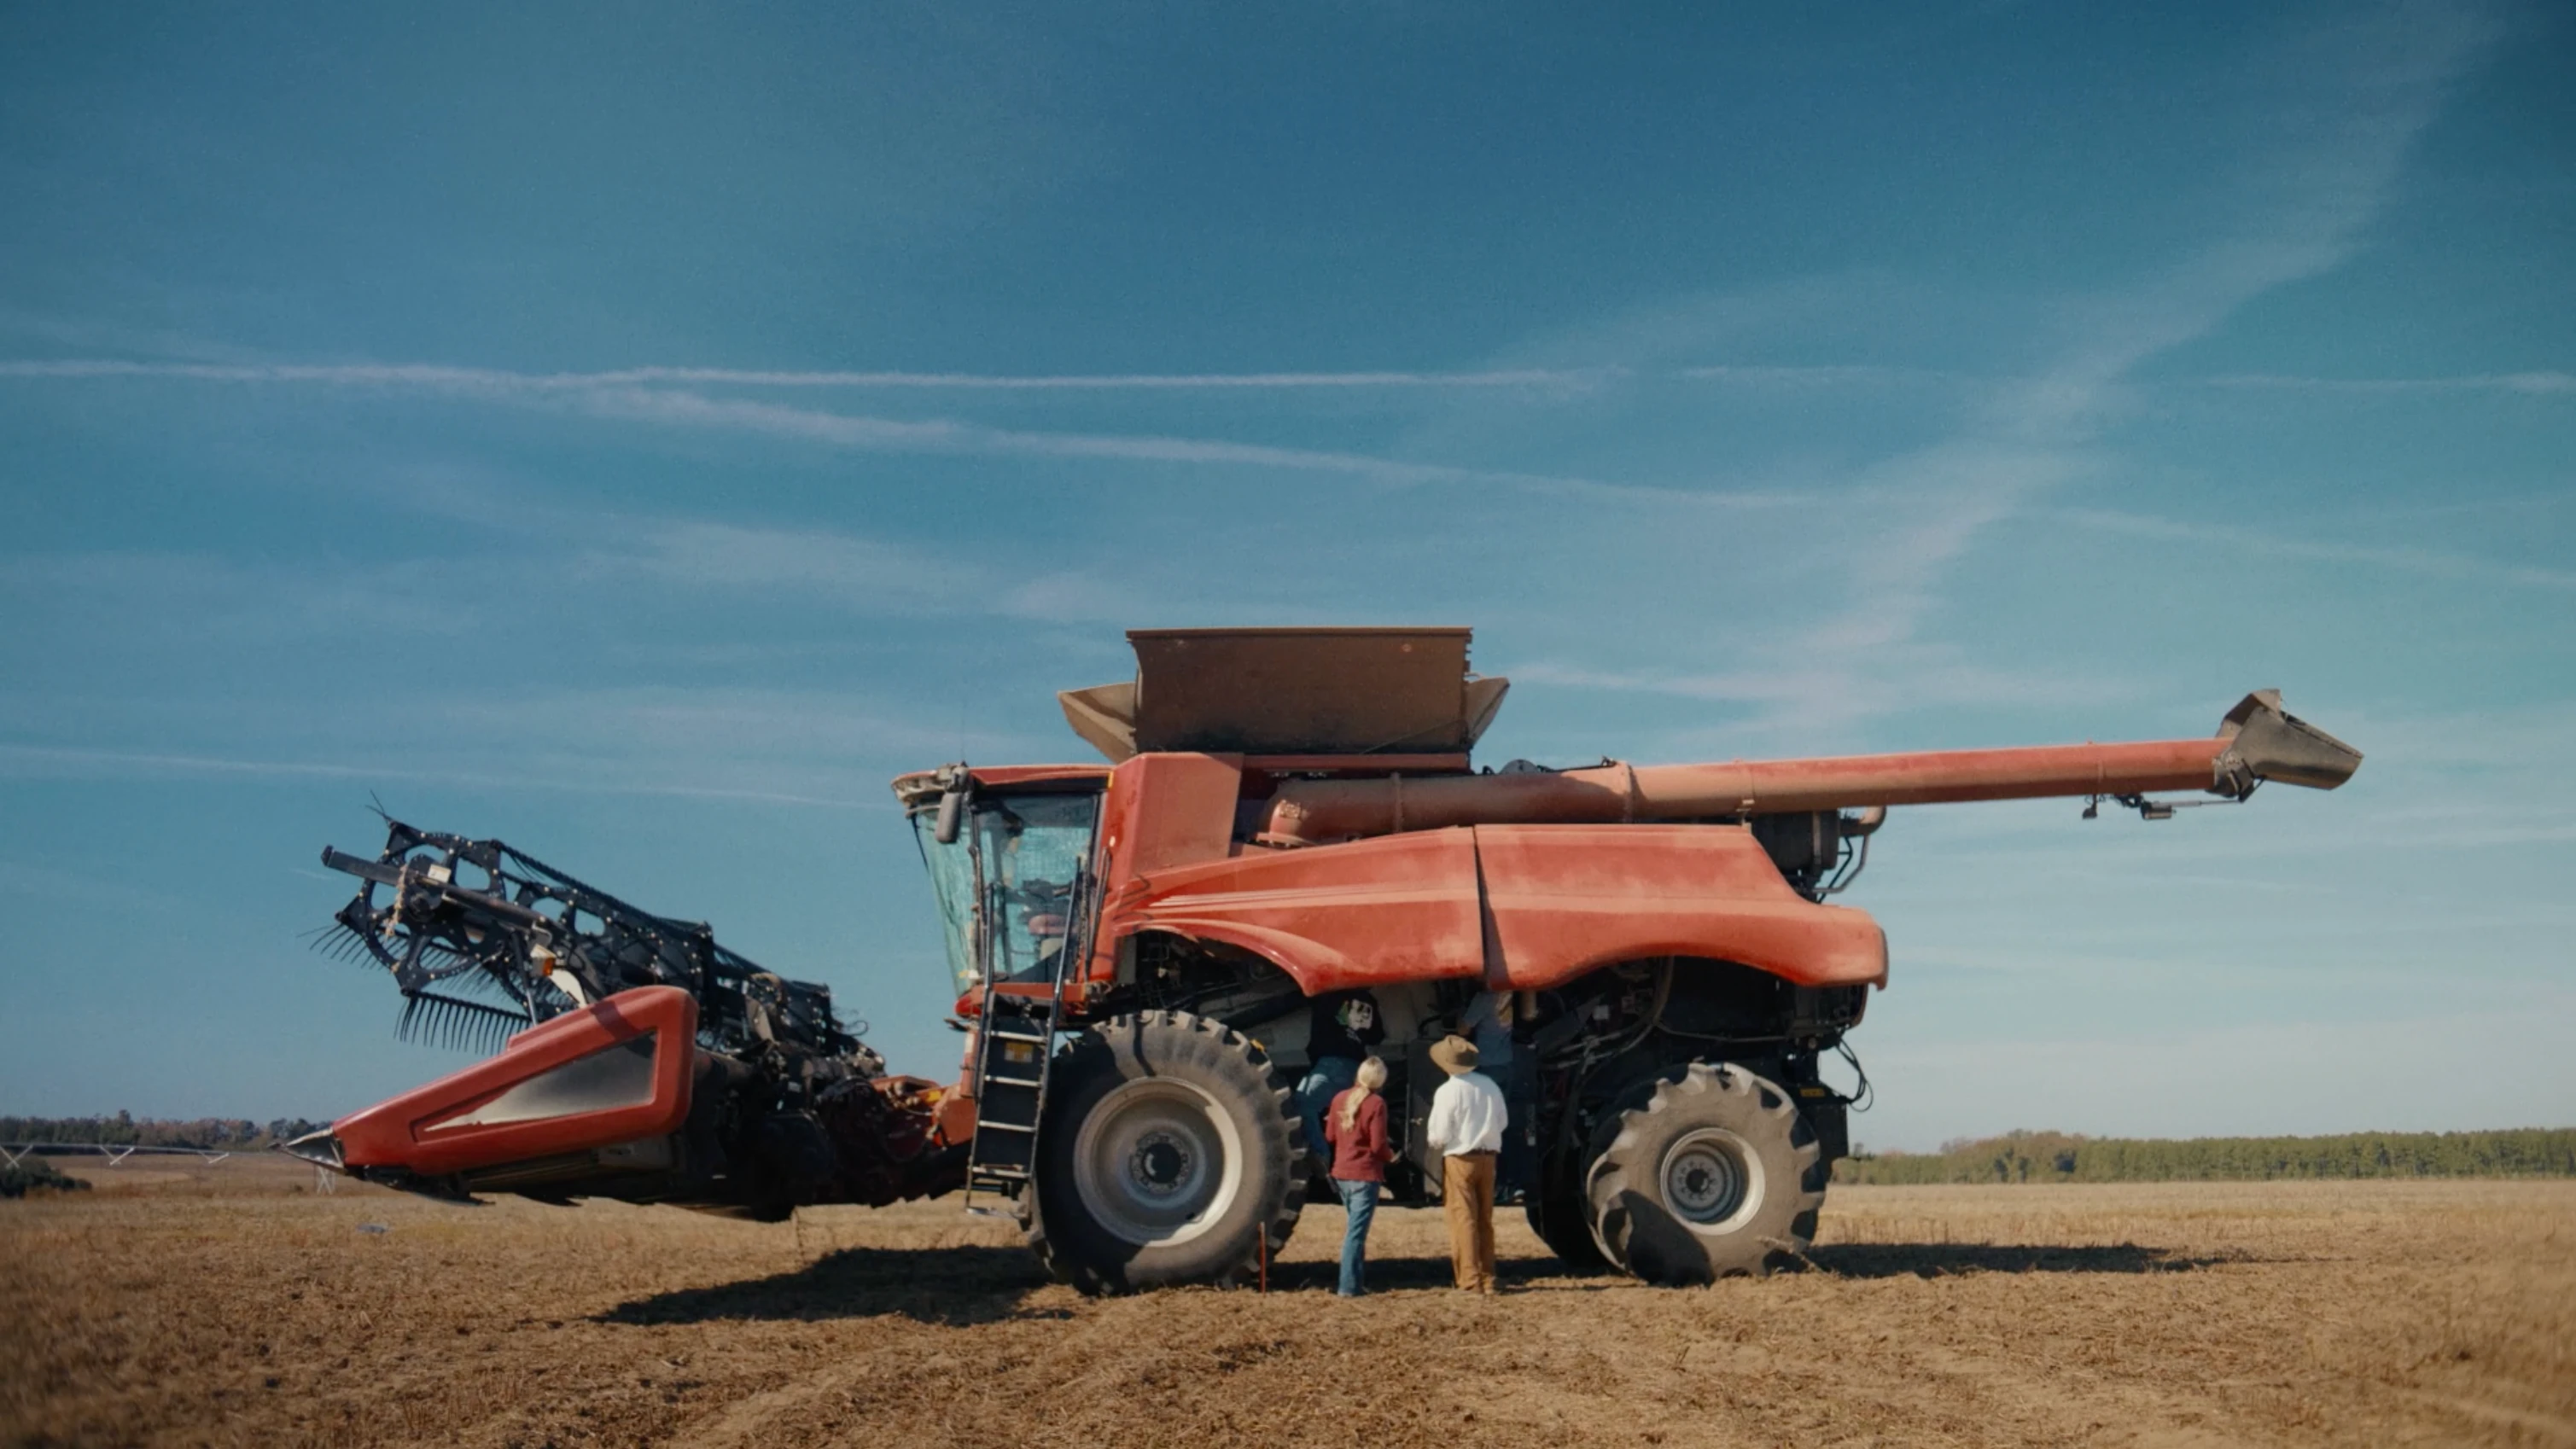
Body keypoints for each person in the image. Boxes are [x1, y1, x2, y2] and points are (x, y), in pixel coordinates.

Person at [1424, 1033, 1507, 1294]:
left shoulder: (1447, 1091)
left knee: (1464, 1219)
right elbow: (1502, 1121)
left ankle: (1470, 1281)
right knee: (1485, 1219)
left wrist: (1435, 1141)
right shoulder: (1490, 1085)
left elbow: (1439, 1135)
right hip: (1488, 1157)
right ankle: (1489, 1277)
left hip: (1460, 1157)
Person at [1320, 1056, 1395, 1297]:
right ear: (1381, 1080)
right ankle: (1348, 1287)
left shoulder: (1339, 1099)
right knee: (1355, 1234)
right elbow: (1377, 1145)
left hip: (1342, 1173)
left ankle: (1356, 1281)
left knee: (1355, 1230)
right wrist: (1390, 1156)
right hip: (1365, 1175)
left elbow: (1330, 1136)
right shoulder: (1377, 1104)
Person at [1297, 990, 1384, 1165]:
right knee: (1348, 1118)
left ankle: (1322, 1157)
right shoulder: (1368, 999)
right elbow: (1376, 1037)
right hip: (1357, 1069)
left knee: (1303, 1103)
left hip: (1331, 1064)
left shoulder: (1326, 993)